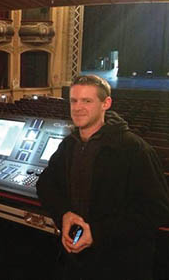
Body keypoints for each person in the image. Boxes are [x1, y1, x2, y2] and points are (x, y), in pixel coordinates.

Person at [36, 75, 169, 280]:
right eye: (74, 100)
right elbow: (45, 184)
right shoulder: (69, 144)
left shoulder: (135, 150)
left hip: (119, 265)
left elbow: (157, 210)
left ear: (106, 103)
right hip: (76, 262)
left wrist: (97, 232)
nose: (78, 108)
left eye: (87, 101)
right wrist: (63, 214)